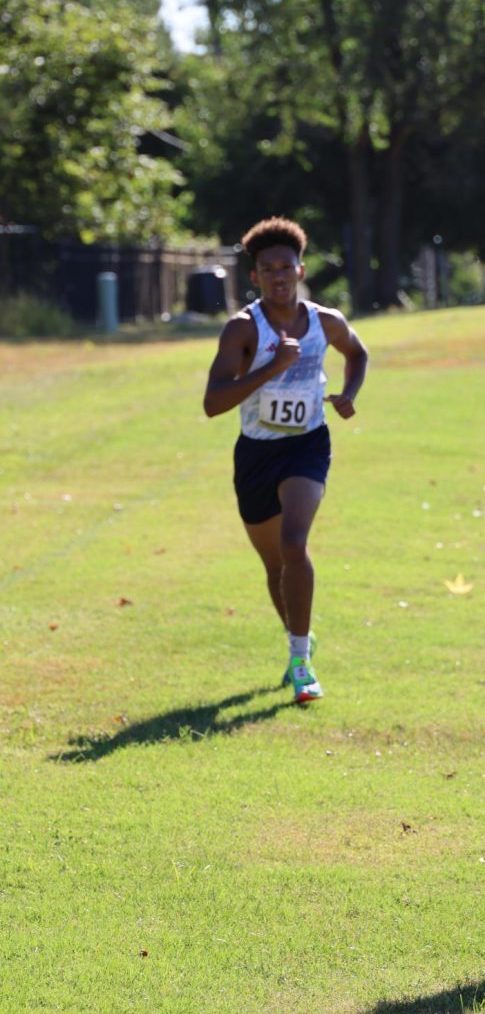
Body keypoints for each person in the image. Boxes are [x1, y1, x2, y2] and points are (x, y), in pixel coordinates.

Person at [203, 216, 368, 703]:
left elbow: (357, 353)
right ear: (254, 277)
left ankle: (300, 661)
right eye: (267, 268)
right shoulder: (242, 329)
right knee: (275, 563)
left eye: (285, 266)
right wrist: (272, 367)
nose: (278, 275)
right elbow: (213, 403)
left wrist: (349, 394)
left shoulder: (325, 321)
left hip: (307, 444)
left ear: (301, 269)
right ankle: (300, 635)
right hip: (256, 452)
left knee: (295, 543)